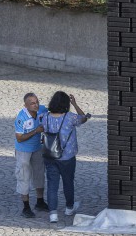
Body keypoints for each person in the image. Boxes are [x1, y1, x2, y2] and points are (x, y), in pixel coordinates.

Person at [39, 91, 90, 223]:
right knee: (68, 182)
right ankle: (69, 207)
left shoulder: (45, 117)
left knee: (52, 185)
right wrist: (75, 104)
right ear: (66, 104)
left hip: (50, 156)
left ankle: (53, 214)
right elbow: (83, 117)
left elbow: (41, 126)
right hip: (67, 157)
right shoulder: (70, 117)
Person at [14, 92, 49, 217]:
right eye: (32, 103)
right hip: (23, 150)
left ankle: (40, 201)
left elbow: (54, 110)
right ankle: (26, 207)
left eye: (37, 102)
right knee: (24, 175)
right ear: (26, 105)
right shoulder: (21, 118)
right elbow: (19, 138)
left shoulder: (42, 109)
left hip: (37, 148)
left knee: (39, 173)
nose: (36, 105)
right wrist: (36, 131)